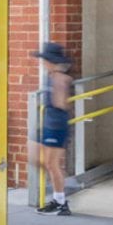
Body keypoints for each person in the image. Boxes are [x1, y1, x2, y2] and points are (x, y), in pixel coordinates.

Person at [34, 42, 74, 216]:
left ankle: (60, 202)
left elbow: (61, 103)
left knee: (52, 164)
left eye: (45, 60)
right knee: (49, 163)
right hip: (52, 123)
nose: (43, 63)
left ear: (51, 61)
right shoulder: (52, 77)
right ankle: (59, 198)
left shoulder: (59, 78)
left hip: (56, 124)